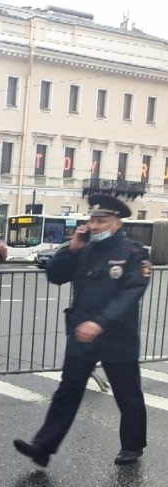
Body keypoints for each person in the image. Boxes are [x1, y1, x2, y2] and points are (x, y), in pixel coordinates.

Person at [14, 193, 151, 467]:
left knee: (128, 394)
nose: (95, 226)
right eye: (92, 220)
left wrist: (99, 323)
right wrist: (71, 249)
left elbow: (131, 293)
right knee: (68, 390)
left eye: (102, 220)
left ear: (117, 223)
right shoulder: (83, 249)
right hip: (82, 336)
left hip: (117, 337)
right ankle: (42, 447)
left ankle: (133, 445)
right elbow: (54, 275)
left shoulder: (134, 253)